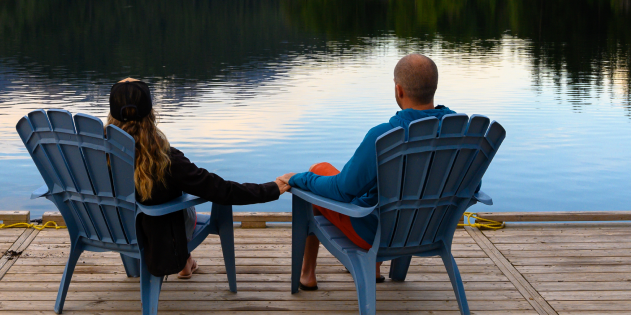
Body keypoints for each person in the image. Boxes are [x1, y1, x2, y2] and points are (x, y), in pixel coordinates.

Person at [277, 54, 454, 290]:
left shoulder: (385, 136)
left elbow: (342, 190)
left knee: (316, 175)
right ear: (434, 88)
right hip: (432, 229)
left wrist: (297, 179)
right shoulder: (459, 133)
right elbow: (472, 186)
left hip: (377, 235)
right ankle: (375, 267)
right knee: (353, 181)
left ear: (399, 90)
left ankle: (307, 274)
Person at [108, 78, 289, 279]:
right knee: (183, 194)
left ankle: (185, 261)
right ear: (151, 113)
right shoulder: (164, 159)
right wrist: (272, 188)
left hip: (116, 228)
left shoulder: (96, 153)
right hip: (163, 236)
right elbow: (220, 189)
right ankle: (185, 259)